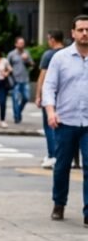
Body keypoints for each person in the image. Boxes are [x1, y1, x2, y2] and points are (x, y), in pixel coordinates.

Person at [42, 14, 88, 226]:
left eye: (87, 30)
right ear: (73, 33)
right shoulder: (60, 58)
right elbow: (49, 86)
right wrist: (51, 112)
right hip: (65, 121)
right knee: (62, 167)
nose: (85, 33)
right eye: (80, 30)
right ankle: (59, 203)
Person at [36, 30, 66, 169]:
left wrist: (38, 95)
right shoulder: (68, 53)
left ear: (52, 39)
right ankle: (64, 156)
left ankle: (53, 155)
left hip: (51, 97)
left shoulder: (49, 55)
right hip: (65, 97)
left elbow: (43, 77)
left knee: (50, 126)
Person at [7, 36, 33, 124]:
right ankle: (17, 117)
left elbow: (32, 65)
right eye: (20, 43)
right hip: (15, 80)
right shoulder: (11, 54)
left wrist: (27, 60)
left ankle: (19, 111)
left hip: (25, 79)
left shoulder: (27, 53)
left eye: (23, 43)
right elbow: (7, 65)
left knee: (26, 98)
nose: (22, 44)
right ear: (16, 44)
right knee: (15, 99)